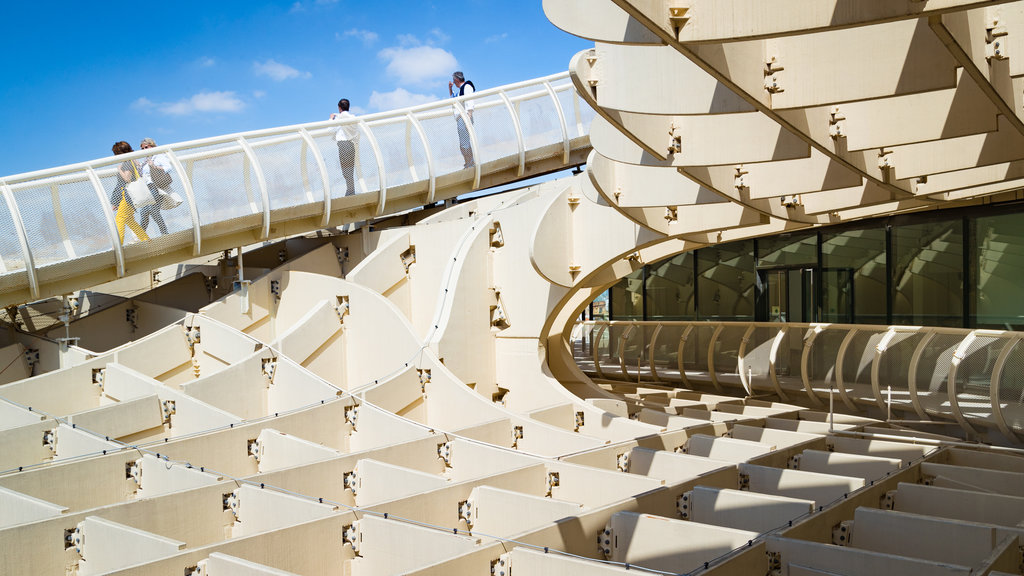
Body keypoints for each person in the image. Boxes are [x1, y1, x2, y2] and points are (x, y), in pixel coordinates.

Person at [109, 141, 150, 244]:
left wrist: (119, 170)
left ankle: (118, 246)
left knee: (120, 218)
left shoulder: (127, 163)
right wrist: (116, 201)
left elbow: (127, 179)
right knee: (129, 220)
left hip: (127, 196)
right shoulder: (132, 161)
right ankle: (146, 240)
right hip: (130, 197)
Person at [138, 138, 171, 235]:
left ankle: (164, 233)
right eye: (142, 148)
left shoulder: (159, 156)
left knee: (152, 210)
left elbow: (168, 168)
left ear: (152, 146)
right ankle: (141, 236)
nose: (144, 150)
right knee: (144, 212)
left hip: (156, 186)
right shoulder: (146, 160)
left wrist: (154, 166)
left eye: (146, 147)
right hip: (147, 188)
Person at [330, 99, 359, 196]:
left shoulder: (339, 118)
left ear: (339, 107)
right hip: (351, 145)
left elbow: (330, 129)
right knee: (350, 169)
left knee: (345, 170)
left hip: (343, 145)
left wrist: (331, 119)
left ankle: (350, 192)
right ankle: (351, 191)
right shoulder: (353, 118)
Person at [449, 71, 475, 168]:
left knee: (464, 143)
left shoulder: (467, 87)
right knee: (463, 143)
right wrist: (450, 89)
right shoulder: (461, 90)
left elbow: (470, 100)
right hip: (462, 118)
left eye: (453, 81)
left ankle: (470, 163)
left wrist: (469, 114)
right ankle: (468, 162)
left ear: (456, 80)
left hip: (465, 118)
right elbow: (453, 100)